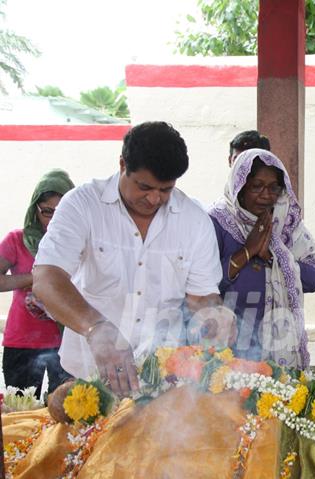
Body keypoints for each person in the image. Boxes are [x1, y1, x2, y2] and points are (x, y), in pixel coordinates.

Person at [32, 121, 234, 397]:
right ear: (122, 164)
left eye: (165, 189)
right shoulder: (82, 204)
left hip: (163, 380)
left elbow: (202, 299)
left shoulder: (194, 220)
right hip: (86, 375)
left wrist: (215, 318)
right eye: (144, 187)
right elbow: (46, 277)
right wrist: (96, 328)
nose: (154, 199)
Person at [209, 148, 315, 369]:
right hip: (232, 347)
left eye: (274, 187)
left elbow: (314, 278)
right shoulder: (218, 222)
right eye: (257, 186)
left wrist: (276, 256)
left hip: (280, 345)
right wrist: (248, 251)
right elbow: (208, 282)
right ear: (240, 186)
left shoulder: (286, 224)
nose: (266, 195)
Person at [0, 170, 74, 399]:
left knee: (63, 415)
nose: (52, 220)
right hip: (21, 342)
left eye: (60, 212)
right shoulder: (17, 240)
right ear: (35, 210)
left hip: (66, 342)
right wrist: (37, 278)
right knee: (20, 413)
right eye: (46, 212)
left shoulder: (79, 243)